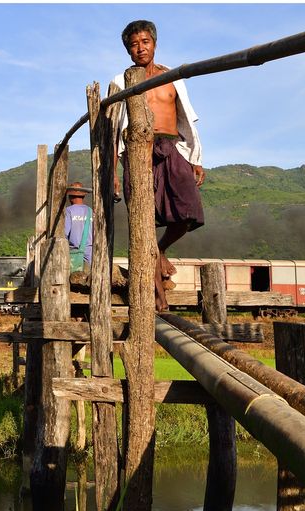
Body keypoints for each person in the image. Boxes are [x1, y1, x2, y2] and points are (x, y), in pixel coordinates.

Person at [110, 19, 205, 310]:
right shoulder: (120, 81)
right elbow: (113, 131)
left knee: (189, 212)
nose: (140, 48)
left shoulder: (173, 77)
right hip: (138, 153)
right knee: (143, 223)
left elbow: (185, 119)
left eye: (145, 42)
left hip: (172, 147)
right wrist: (113, 172)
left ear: (154, 43)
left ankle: (160, 250)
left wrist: (196, 158)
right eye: (134, 45)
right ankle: (158, 298)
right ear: (128, 50)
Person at [63, 181, 93, 272]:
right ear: (83, 196)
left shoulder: (68, 211)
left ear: (70, 197)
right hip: (90, 255)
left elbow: (64, 234)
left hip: (74, 255)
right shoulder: (91, 211)